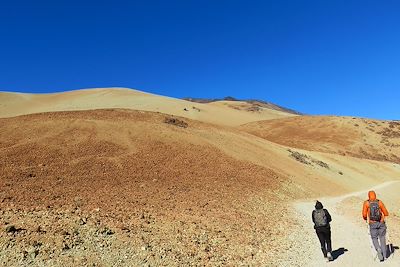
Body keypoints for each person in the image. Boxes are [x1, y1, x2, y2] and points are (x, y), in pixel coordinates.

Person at [362, 190, 389, 262]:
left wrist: (365, 219)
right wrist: (383, 217)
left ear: (368, 196)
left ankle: (378, 249)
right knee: (382, 238)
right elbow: (386, 213)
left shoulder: (366, 203)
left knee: (374, 238)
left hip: (372, 223)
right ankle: (385, 255)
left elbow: (364, 215)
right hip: (381, 223)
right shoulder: (379, 202)